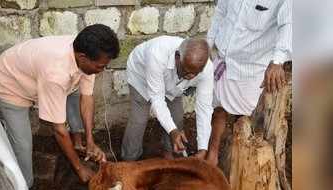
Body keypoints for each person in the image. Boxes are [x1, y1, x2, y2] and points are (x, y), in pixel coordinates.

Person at [0, 24, 120, 185]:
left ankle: (78, 143)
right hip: (9, 83)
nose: (103, 70)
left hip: (37, 74)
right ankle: (23, 187)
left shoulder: (86, 54)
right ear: (83, 57)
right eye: (100, 66)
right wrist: (80, 168)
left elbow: (87, 98)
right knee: (22, 145)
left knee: (74, 95)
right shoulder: (56, 74)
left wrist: (90, 141)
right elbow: (59, 130)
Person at [206, 0, 292, 165]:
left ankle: (244, 165)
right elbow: (221, 12)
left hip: (251, 67)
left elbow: (288, 24)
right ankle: (213, 154)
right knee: (218, 110)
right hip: (224, 59)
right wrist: (208, 43)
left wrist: (277, 62)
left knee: (246, 121)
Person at [121, 36, 214, 161]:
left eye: (195, 73)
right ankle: (129, 160)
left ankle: (168, 155)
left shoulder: (206, 69)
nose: (190, 77)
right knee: (139, 120)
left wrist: (203, 149)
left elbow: (205, 109)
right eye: (186, 71)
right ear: (177, 57)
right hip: (141, 76)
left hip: (172, 84)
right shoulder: (157, 54)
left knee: (177, 118)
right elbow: (157, 99)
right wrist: (173, 131)